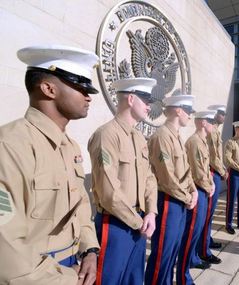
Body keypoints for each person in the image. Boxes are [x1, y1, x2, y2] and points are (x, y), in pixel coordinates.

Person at [0, 45, 99, 284]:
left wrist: (89, 250)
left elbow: (81, 205)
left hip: (72, 263)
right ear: (48, 88)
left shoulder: (70, 146)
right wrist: (66, 278)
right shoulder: (10, 145)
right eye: (80, 86)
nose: (88, 95)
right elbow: (7, 247)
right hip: (37, 273)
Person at [88, 78, 158, 285]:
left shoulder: (138, 137)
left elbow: (150, 178)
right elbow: (109, 192)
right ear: (130, 98)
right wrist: (139, 222)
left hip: (140, 222)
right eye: (145, 99)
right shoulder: (106, 135)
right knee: (110, 279)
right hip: (117, 223)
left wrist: (151, 212)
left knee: (134, 279)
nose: (148, 106)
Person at [145, 95, 198, 285]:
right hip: (169, 200)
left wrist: (193, 190)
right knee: (163, 254)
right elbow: (167, 178)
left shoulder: (176, 135)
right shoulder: (161, 136)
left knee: (173, 249)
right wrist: (187, 196)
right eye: (188, 111)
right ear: (178, 110)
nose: (190, 116)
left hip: (180, 199)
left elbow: (185, 170)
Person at [176, 110, 216, 285]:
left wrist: (212, 184)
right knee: (191, 232)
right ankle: (183, 275)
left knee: (197, 230)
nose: (214, 125)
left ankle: (191, 259)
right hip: (198, 190)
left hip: (203, 189)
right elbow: (198, 173)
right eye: (211, 121)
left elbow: (205, 169)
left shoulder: (202, 142)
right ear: (203, 123)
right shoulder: (194, 142)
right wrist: (209, 187)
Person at [195, 104, 226, 263]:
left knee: (209, 214)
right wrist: (222, 171)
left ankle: (206, 241)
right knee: (206, 214)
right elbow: (214, 157)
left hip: (213, 172)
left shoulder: (216, 131)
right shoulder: (212, 132)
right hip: (211, 173)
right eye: (221, 113)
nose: (224, 116)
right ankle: (203, 249)